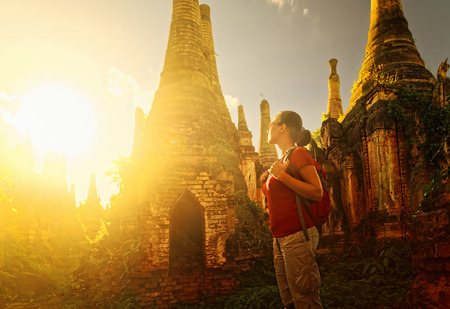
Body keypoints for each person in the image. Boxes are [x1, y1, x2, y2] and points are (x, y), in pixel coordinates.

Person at [261, 110, 324, 309]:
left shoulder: (299, 153)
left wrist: (282, 177)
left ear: (283, 127)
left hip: (297, 235)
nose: (267, 128)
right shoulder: (281, 162)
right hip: (279, 238)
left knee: (305, 300)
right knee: (289, 301)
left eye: (271, 124)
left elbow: (316, 192)